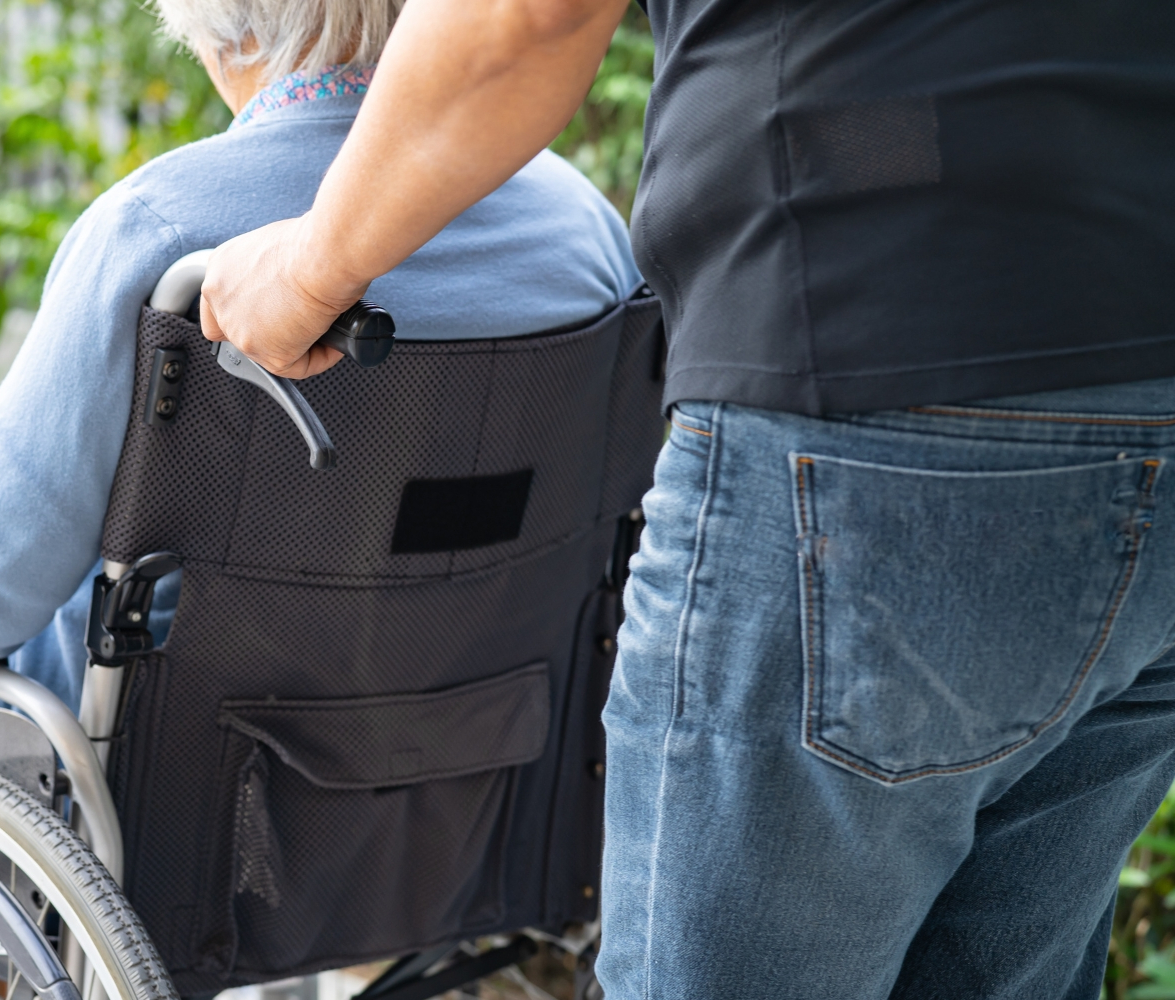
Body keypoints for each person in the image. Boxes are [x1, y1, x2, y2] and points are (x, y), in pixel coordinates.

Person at [198, 0, 1175, 995]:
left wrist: (310, 266)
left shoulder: (162, 216)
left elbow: (525, 12)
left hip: (868, 370)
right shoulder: (574, 229)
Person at [0, 0, 638, 729]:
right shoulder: (584, 226)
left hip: (174, 802)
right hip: (466, 771)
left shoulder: (161, 227)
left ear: (217, 29)